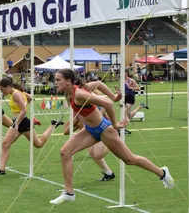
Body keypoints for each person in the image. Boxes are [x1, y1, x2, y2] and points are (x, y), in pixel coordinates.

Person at [50, 69, 174, 205]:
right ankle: (69, 193)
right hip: (90, 130)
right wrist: (114, 96)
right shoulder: (72, 92)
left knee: (130, 159)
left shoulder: (79, 93)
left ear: (68, 81)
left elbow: (107, 104)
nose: (55, 83)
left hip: (104, 129)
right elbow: (98, 83)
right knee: (65, 152)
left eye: (57, 80)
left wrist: (115, 123)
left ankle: (162, 172)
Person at [0, 78, 63, 175]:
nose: (2, 92)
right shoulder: (15, 92)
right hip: (18, 122)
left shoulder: (15, 94)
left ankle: (53, 125)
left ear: (8, 87)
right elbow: (30, 98)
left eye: (2, 90)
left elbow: (24, 110)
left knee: (39, 144)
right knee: (5, 144)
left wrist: (17, 124)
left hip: (22, 122)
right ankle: (1, 169)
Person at [64, 105, 115, 182]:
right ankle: (108, 173)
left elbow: (107, 104)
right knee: (91, 152)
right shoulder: (76, 113)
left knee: (98, 154)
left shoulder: (90, 104)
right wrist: (77, 125)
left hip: (104, 130)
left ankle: (111, 142)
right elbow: (66, 131)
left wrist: (99, 115)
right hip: (91, 134)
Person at [124, 69, 148, 134]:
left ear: (126, 73)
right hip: (124, 98)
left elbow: (138, 88)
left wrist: (130, 88)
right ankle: (140, 106)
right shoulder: (122, 80)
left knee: (124, 113)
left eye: (123, 72)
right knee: (127, 114)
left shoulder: (131, 80)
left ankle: (124, 128)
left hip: (130, 98)